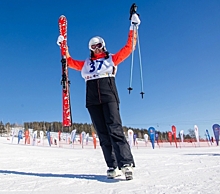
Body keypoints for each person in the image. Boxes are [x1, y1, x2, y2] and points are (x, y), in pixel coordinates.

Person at [58, 6, 140, 180]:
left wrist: (133, 25)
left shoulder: (111, 59)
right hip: (92, 98)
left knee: (114, 128)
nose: (96, 48)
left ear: (104, 46)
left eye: (99, 45)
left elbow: (129, 47)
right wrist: (63, 45)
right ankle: (112, 165)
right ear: (90, 48)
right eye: (93, 46)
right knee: (102, 133)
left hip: (109, 94)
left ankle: (125, 163)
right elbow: (69, 61)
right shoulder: (86, 64)